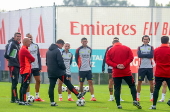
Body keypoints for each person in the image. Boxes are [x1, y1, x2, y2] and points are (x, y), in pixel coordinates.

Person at [46, 39, 86, 106]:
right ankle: (78, 94)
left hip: (51, 71)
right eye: (62, 45)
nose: (62, 47)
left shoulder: (48, 51)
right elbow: (60, 61)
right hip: (59, 72)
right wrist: (64, 69)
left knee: (51, 86)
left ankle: (52, 102)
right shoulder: (57, 50)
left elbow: (47, 62)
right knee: (67, 82)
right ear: (60, 44)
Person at [106, 37, 142, 109]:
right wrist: (124, 64)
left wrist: (116, 65)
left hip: (116, 72)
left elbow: (107, 61)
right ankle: (135, 100)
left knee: (117, 88)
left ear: (113, 43)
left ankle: (118, 105)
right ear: (119, 42)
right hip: (126, 72)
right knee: (132, 86)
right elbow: (131, 58)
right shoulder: (127, 48)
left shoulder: (110, 50)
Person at [150, 36, 170, 109]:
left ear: (161, 41)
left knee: (156, 89)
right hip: (168, 72)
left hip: (159, 72)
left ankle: (154, 105)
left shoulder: (156, 50)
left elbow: (155, 60)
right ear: (168, 41)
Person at [26, 33, 44, 101]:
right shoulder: (25, 47)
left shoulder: (36, 46)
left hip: (35, 67)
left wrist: (40, 66)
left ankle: (37, 96)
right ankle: (28, 96)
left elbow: (38, 56)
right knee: (28, 81)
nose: (30, 38)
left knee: (38, 81)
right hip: (28, 67)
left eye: (30, 37)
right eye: (28, 37)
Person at [4, 32, 21, 103]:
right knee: (14, 82)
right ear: (14, 37)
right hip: (13, 65)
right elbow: (7, 54)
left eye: (20, 36)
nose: (19, 37)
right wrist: (10, 59)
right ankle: (14, 98)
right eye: (17, 36)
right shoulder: (12, 43)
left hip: (17, 65)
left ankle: (14, 98)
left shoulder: (17, 45)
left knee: (16, 82)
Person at [136, 35, 154, 101]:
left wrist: (144, 55)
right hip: (142, 67)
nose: (145, 40)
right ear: (142, 40)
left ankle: (152, 97)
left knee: (151, 82)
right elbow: (139, 55)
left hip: (149, 67)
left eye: (147, 39)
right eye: (144, 39)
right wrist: (147, 55)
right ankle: (137, 96)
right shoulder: (139, 47)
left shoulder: (151, 47)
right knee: (139, 82)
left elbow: (151, 55)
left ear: (148, 40)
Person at [19, 38, 35, 105]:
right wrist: (30, 60)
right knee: (25, 86)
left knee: (23, 85)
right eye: (29, 41)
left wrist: (30, 60)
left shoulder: (22, 49)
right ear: (25, 42)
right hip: (26, 70)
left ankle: (21, 100)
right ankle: (24, 101)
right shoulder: (25, 50)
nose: (30, 43)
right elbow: (33, 59)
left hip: (24, 70)